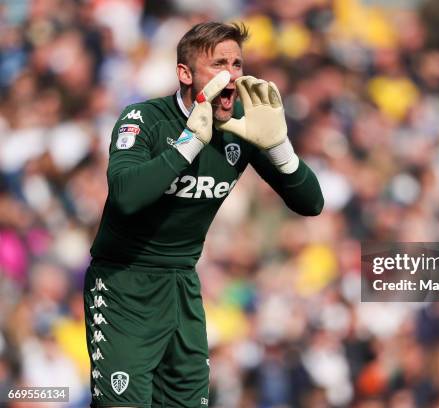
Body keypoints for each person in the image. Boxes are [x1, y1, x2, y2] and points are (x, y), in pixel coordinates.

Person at [84, 21, 323, 407]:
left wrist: (279, 147)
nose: (232, 75)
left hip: (183, 285)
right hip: (124, 284)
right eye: (219, 64)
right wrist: (190, 142)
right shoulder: (145, 119)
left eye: (237, 63)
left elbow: (310, 204)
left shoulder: (241, 125)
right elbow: (126, 196)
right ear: (185, 73)